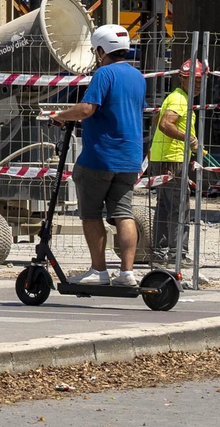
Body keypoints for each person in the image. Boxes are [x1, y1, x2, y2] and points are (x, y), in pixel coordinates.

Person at [52, 24, 148, 287]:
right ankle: (127, 273)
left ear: (102, 50)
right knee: (123, 213)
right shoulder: (138, 77)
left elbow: (86, 109)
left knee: (91, 213)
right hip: (130, 157)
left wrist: (60, 115)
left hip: (100, 156)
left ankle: (99, 271)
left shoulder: (104, 74)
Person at [147, 58, 204, 263]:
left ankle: (160, 252)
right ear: (182, 78)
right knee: (179, 207)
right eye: (193, 80)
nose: (197, 84)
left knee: (164, 206)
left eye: (199, 80)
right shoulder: (180, 100)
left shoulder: (174, 97)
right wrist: (189, 139)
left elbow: (156, 120)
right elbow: (164, 123)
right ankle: (177, 253)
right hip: (172, 160)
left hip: (163, 157)